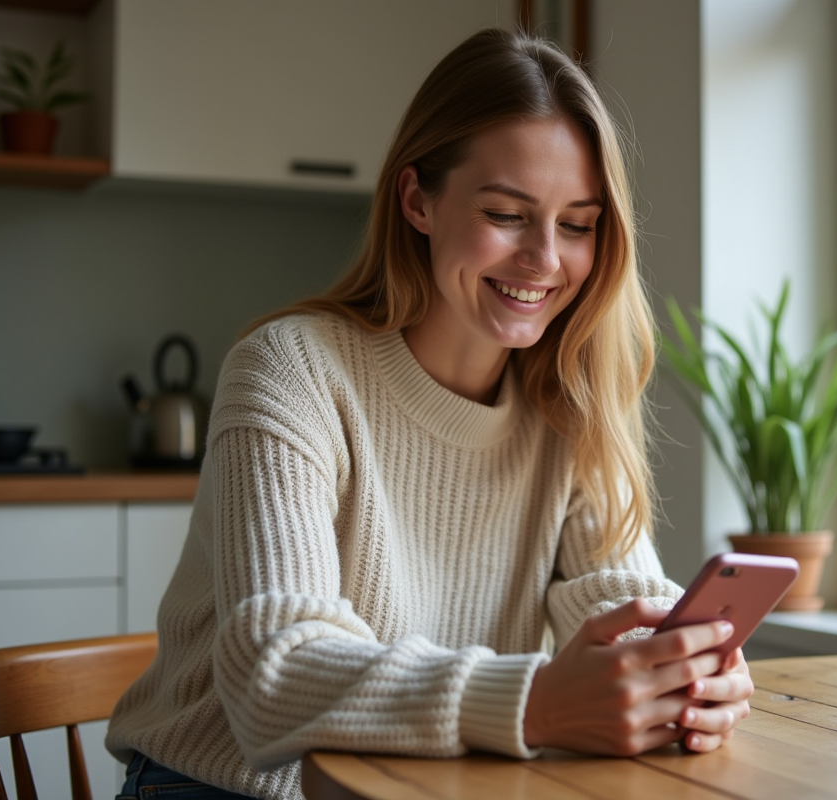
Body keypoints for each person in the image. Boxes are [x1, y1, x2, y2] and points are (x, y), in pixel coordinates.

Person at [107, 26, 753, 800]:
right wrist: (540, 701)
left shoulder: (569, 404)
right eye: (508, 214)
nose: (546, 259)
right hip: (223, 787)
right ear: (418, 200)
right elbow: (272, 673)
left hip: (420, 785)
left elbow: (622, 600)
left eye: (577, 224)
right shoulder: (291, 370)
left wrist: (670, 674)